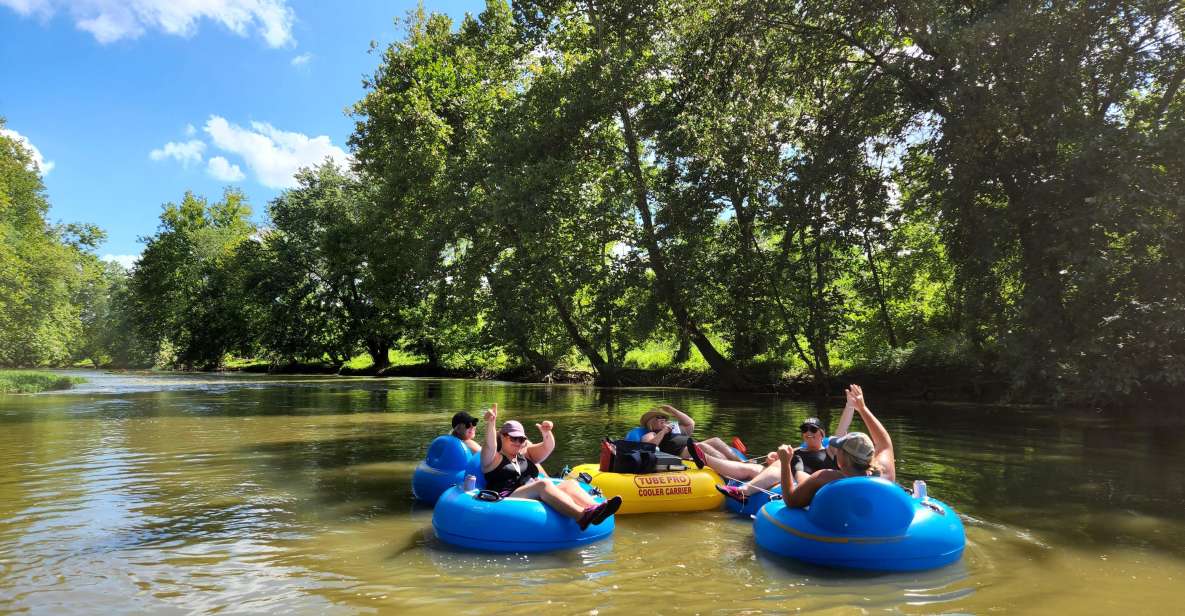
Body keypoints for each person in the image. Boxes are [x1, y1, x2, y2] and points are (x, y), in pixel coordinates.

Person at [480, 404, 622, 530]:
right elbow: (489, 445)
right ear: (503, 437)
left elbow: (547, 448)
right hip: (506, 498)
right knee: (543, 484)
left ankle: (598, 510)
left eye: (521, 439)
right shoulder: (493, 459)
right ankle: (581, 516)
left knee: (570, 484)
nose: (518, 442)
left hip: (528, 493)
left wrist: (546, 433)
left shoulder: (525, 455)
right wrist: (490, 423)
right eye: (513, 438)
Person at [776, 384, 896, 508]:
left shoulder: (826, 477)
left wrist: (785, 463)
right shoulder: (885, 474)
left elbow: (791, 501)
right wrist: (863, 408)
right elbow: (884, 443)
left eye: (839, 449)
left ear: (842, 460)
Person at [710, 414, 843, 504]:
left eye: (813, 429)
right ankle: (705, 459)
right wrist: (772, 457)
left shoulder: (830, 451)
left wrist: (850, 406)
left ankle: (744, 492)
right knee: (754, 468)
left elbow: (841, 431)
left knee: (777, 468)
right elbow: (776, 463)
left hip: (809, 486)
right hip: (792, 480)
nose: (808, 432)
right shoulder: (796, 451)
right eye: (804, 429)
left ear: (822, 433)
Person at [638, 405, 743, 465]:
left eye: (664, 417)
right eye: (659, 417)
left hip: (691, 446)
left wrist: (672, 410)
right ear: (651, 422)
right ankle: (730, 466)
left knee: (715, 440)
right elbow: (650, 446)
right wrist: (663, 431)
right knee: (701, 446)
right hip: (680, 453)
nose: (664, 419)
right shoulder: (650, 434)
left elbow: (690, 423)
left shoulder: (674, 429)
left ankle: (741, 463)